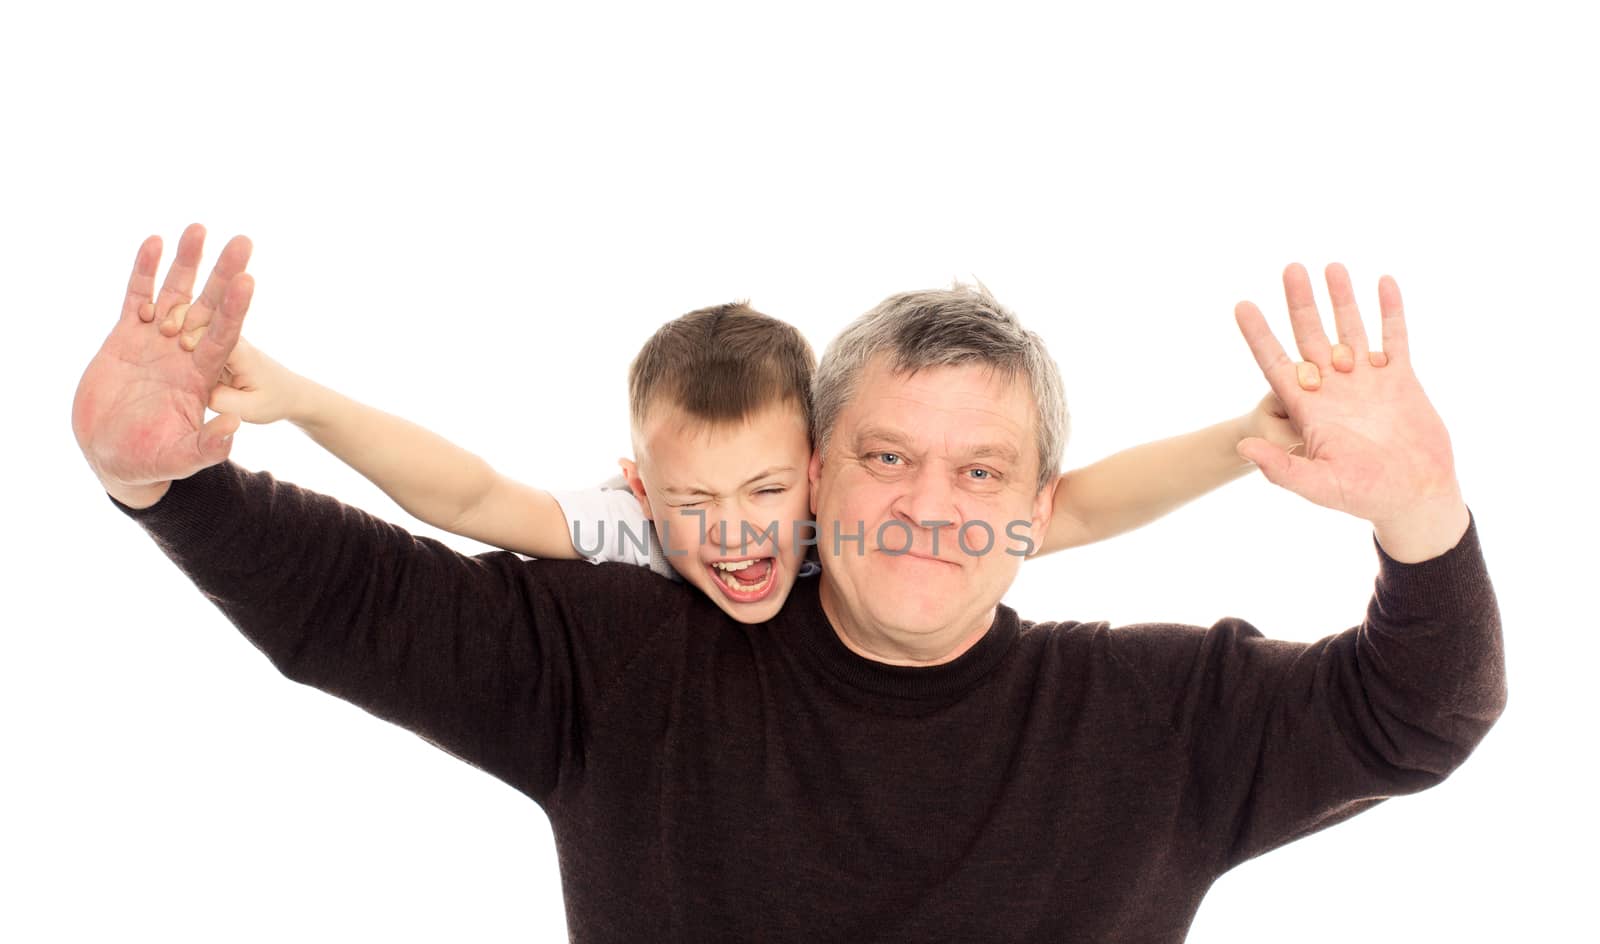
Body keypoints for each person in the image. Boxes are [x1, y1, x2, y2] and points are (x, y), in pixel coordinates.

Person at [74, 225, 1506, 944]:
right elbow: (358, 601)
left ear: (1036, 503)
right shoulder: (633, 659)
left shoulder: (1159, 712)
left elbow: (1420, 714)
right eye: (887, 454)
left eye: (982, 471)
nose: (930, 505)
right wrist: (163, 477)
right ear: (815, 471)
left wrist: (1423, 515)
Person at [150, 276, 1307, 620]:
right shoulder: (642, 536)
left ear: (815, 470)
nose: (738, 530)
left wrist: (1241, 437)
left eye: (764, 488)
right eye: (694, 498)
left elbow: (1077, 507)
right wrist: (302, 400)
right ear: (641, 488)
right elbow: (472, 496)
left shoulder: (860, 527)